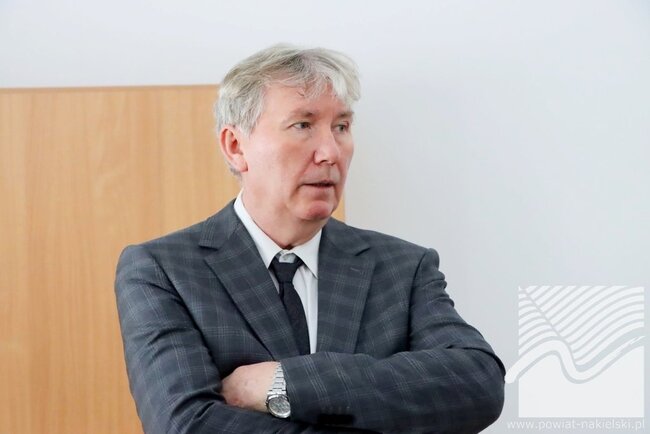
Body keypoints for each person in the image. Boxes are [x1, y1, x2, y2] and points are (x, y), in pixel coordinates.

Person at [115, 44, 505, 434]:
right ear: (236, 147)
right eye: (303, 125)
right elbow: (186, 425)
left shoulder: (402, 267)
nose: (330, 153)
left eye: (342, 127)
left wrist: (283, 383)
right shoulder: (163, 270)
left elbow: (478, 383)